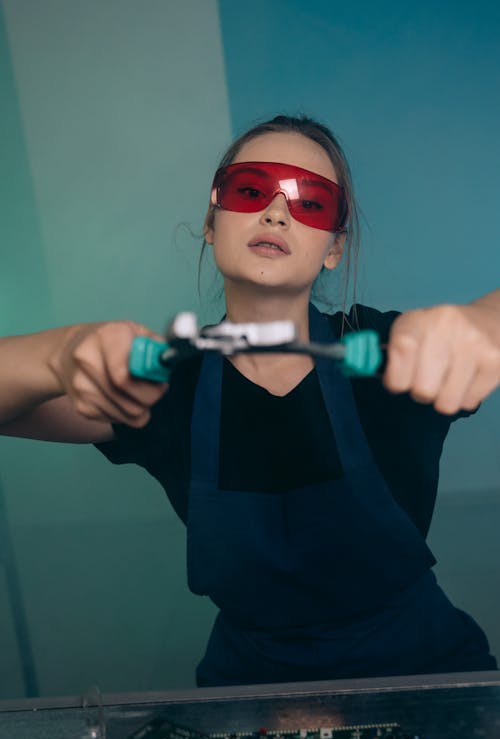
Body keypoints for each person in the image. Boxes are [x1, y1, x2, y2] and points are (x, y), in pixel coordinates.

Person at [1, 115, 500, 687]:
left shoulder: (394, 353)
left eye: (310, 201)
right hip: (250, 688)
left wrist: (485, 322)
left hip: (427, 674)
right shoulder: (161, 384)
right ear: (213, 222)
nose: (276, 211)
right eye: (250, 189)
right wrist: (55, 353)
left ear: (334, 248)